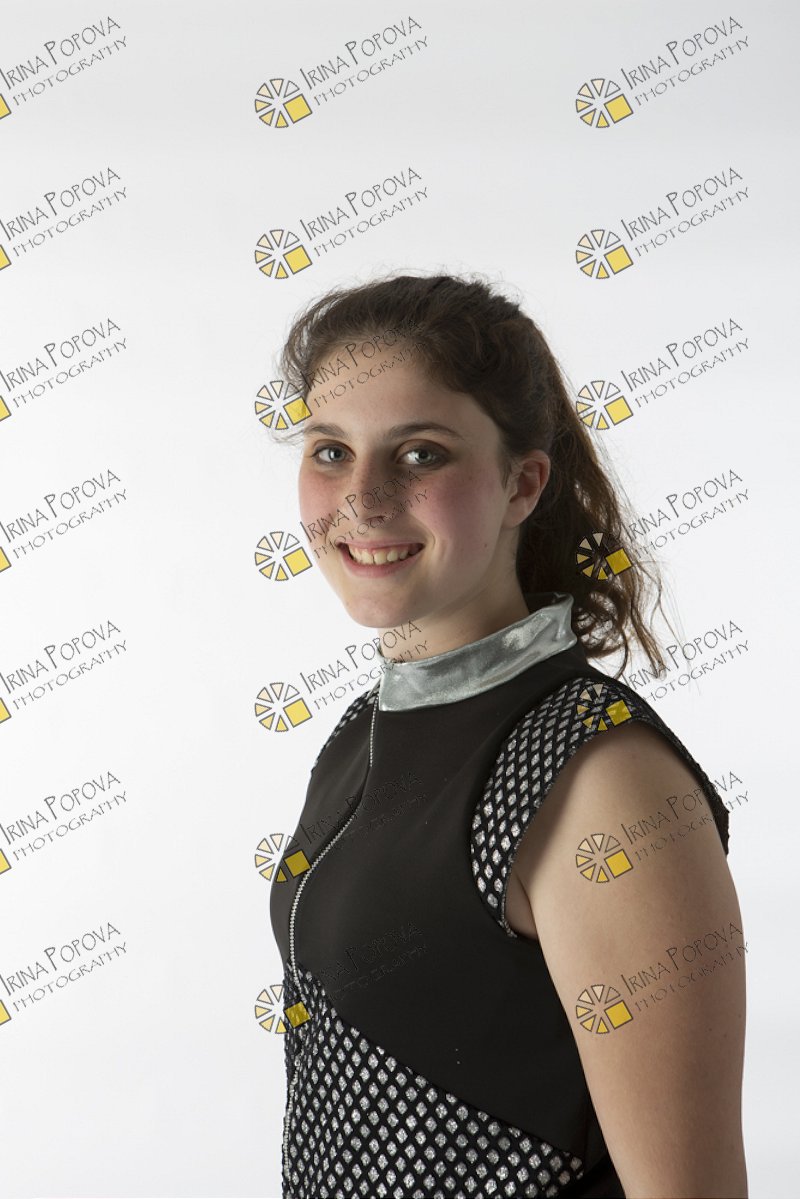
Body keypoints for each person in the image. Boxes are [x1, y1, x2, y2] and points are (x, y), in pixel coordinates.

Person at [269, 272, 747, 1199]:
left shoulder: (599, 777)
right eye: (331, 450)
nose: (361, 499)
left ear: (523, 483)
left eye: (420, 454)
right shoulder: (362, 734)